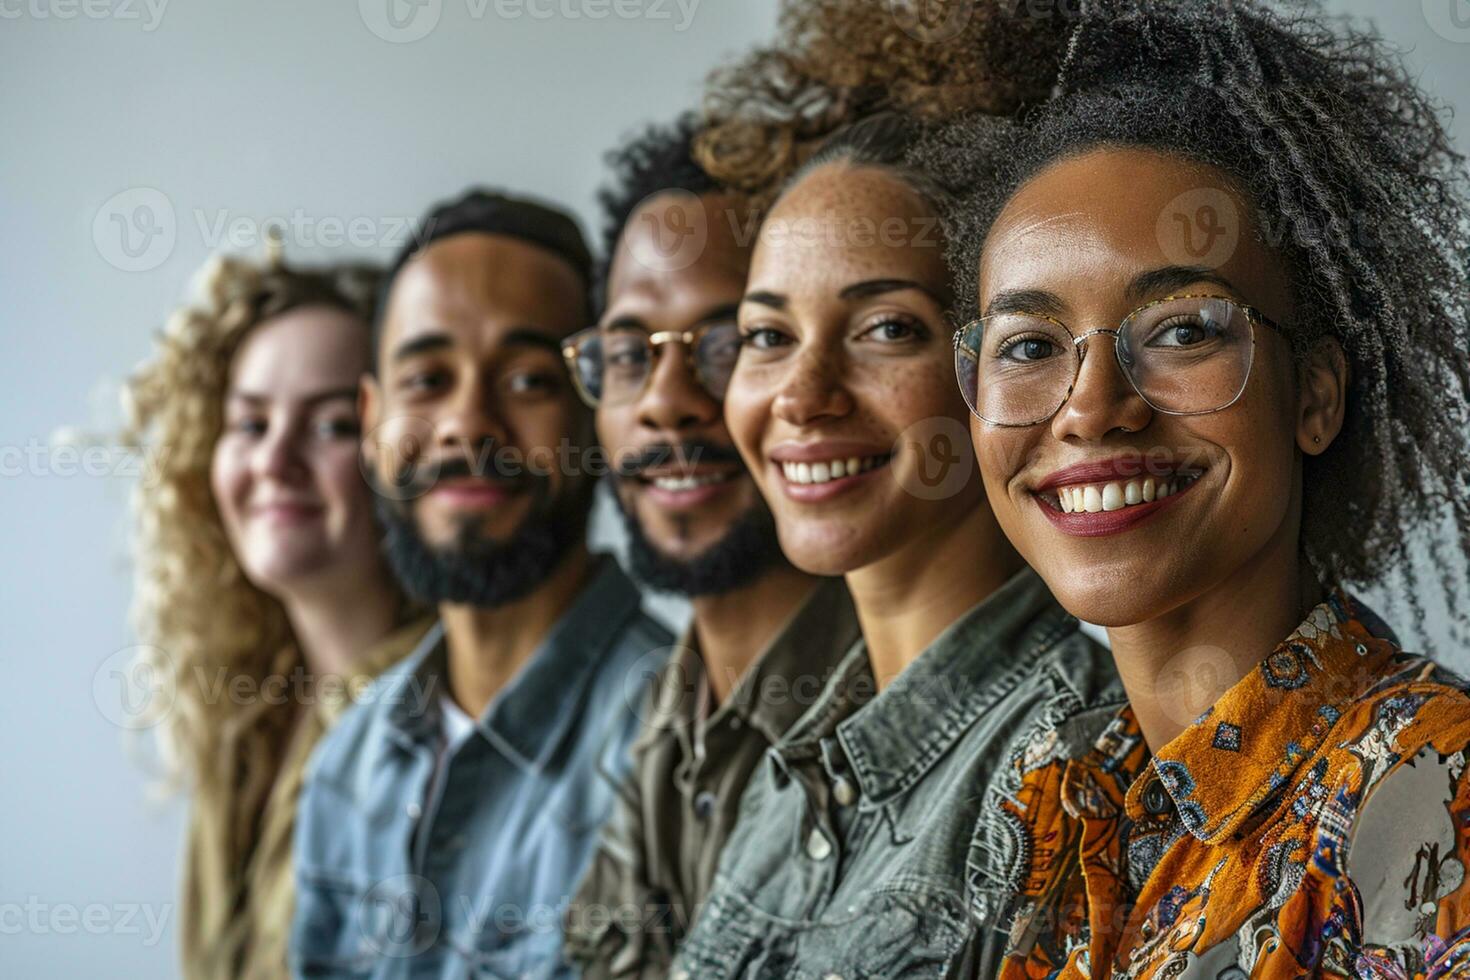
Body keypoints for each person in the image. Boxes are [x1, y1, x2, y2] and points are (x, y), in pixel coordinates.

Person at [925, 0, 1470, 974]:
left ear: (1314, 394)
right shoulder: (1059, 803)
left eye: (1181, 330)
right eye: (1028, 346)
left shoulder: (1438, 792)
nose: (1090, 407)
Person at [667, 112, 1122, 979]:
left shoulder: (1073, 773)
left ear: (1004, 365)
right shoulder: (786, 778)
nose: (801, 395)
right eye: (768, 336)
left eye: (886, 328)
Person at [289, 190, 672, 979]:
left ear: (594, 412)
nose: (469, 422)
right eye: (427, 379)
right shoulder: (345, 765)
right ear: (371, 420)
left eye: (529, 381)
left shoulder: (674, 754)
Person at [561, 115, 861, 978]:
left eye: (729, 342)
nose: (666, 401)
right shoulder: (663, 717)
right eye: (627, 352)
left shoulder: (894, 719)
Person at [122, 246, 428, 980]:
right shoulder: (249, 720)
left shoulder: (444, 722)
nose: (275, 460)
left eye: (330, 426)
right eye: (251, 423)